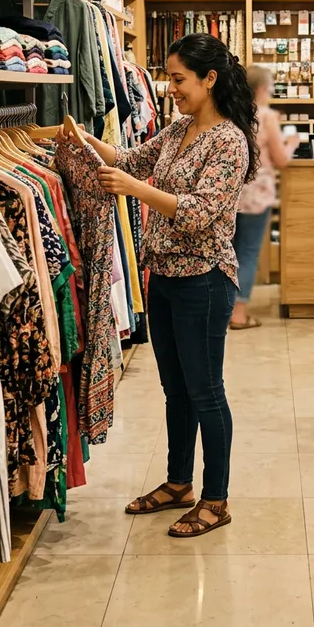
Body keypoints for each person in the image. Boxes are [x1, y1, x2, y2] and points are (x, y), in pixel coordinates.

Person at [58, 33, 257, 538]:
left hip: (204, 281)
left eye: (177, 79)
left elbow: (199, 213)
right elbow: (127, 160)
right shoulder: (178, 130)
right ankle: (177, 484)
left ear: (209, 79)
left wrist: (137, 191)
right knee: (176, 391)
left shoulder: (229, 140)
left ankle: (217, 498)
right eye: (168, 78)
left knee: (206, 391)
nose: (170, 88)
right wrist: (81, 140)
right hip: (164, 277)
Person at [230, 66, 299, 330]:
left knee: (228, 253)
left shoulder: (231, 113)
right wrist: (292, 142)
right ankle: (239, 314)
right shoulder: (266, 116)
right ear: (261, 89)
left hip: (230, 193)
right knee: (247, 254)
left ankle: (224, 310)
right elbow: (281, 160)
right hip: (257, 196)